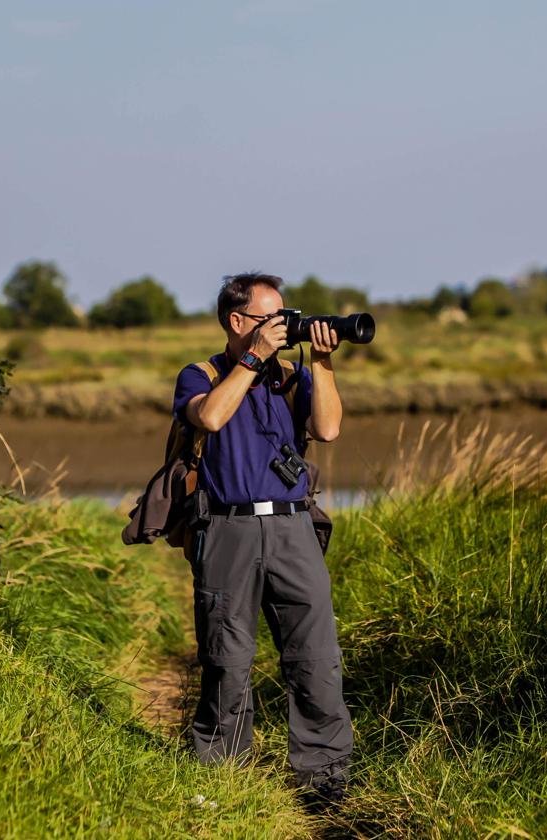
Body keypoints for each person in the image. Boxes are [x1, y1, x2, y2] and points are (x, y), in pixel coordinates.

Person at [171, 272, 354, 808]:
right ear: (237, 322)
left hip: (294, 527)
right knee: (227, 658)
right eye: (271, 319)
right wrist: (250, 361)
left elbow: (329, 430)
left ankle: (324, 781)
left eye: (285, 317)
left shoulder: (293, 376)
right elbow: (210, 416)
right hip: (228, 528)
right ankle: (221, 775)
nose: (283, 327)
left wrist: (322, 364)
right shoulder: (200, 373)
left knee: (317, 657)